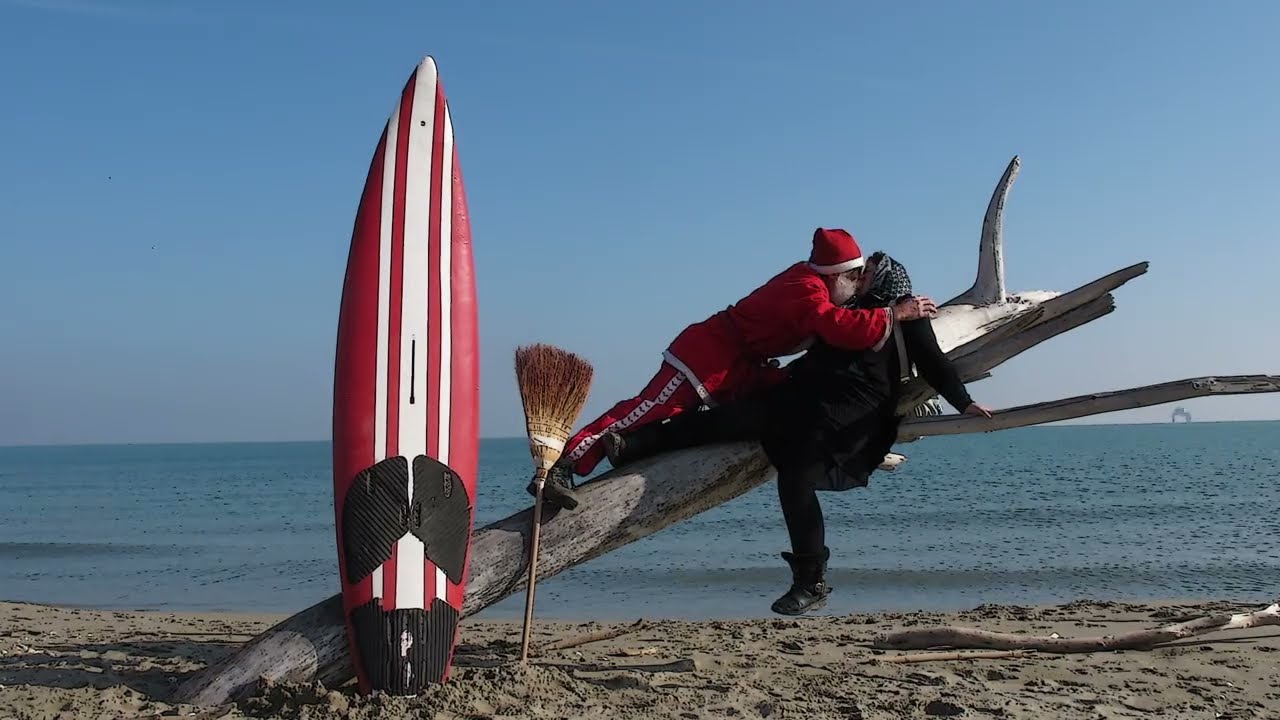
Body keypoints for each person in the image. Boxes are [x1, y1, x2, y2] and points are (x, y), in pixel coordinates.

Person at [599, 251, 993, 615]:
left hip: (850, 412)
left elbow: (935, 363)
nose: (858, 278)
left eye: (867, 273)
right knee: (720, 421)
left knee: (795, 480)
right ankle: (633, 445)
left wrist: (965, 403)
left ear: (886, 279)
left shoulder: (911, 318)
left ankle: (811, 582)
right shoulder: (848, 310)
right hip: (800, 394)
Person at [529, 228, 940, 511]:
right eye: (853, 277)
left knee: (784, 393)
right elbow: (836, 326)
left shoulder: (815, 286)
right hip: (706, 354)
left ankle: (631, 448)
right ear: (835, 274)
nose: (855, 284)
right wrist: (894, 313)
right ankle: (562, 467)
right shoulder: (808, 289)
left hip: (740, 364)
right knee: (647, 408)